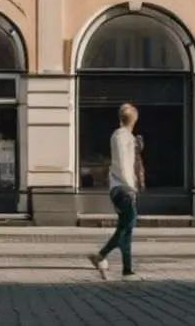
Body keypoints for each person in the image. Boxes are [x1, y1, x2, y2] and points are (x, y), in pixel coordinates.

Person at [87, 103, 140, 281]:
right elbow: (123, 163)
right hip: (123, 188)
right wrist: (130, 186)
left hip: (119, 188)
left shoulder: (124, 136)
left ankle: (127, 269)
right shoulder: (123, 136)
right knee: (127, 227)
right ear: (135, 119)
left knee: (126, 228)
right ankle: (102, 256)